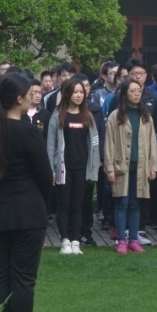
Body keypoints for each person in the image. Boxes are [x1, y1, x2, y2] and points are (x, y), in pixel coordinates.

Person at [0, 74, 52, 312]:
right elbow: (45, 176)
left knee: (2, 275)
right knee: (23, 279)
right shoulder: (28, 132)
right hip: (27, 213)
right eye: (30, 94)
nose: (34, 97)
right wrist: (42, 205)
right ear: (19, 99)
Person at [104, 79, 157, 254]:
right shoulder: (115, 116)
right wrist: (110, 167)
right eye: (132, 91)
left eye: (139, 91)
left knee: (136, 204)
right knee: (122, 202)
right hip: (121, 166)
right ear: (125, 93)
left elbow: (152, 143)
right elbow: (109, 143)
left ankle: (133, 239)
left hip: (141, 166)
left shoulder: (146, 116)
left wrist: (153, 166)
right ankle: (121, 239)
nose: (136, 94)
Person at [47, 77, 99, 255]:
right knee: (63, 205)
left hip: (82, 168)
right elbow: (51, 145)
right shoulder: (57, 115)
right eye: (75, 92)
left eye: (81, 92)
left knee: (78, 205)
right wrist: (51, 169)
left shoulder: (88, 116)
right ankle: (65, 241)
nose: (78, 95)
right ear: (67, 94)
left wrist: (93, 168)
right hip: (63, 168)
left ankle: (76, 241)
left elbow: (94, 143)